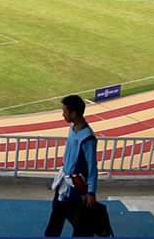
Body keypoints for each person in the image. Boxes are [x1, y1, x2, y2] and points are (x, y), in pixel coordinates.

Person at [45, 95, 98, 237]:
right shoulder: (72, 127)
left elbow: (92, 167)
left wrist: (91, 193)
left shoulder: (88, 138)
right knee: (56, 213)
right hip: (64, 181)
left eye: (65, 112)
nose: (63, 114)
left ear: (73, 114)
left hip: (76, 186)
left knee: (78, 221)